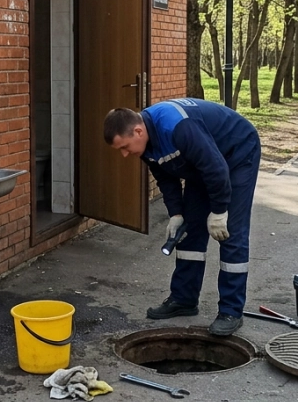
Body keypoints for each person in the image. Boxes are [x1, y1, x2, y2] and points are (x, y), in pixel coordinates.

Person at [104, 99, 261, 336]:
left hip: (237, 152)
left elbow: (216, 169)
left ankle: (231, 310)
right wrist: (176, 213)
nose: (125, 155)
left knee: (230, 231)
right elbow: (166, 178)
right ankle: (184, 299)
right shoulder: (146, 143)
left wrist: (219, 212)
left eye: (125, 147)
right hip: (203, 162)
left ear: (138, 131)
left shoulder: (177, 127)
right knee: (188, 230)